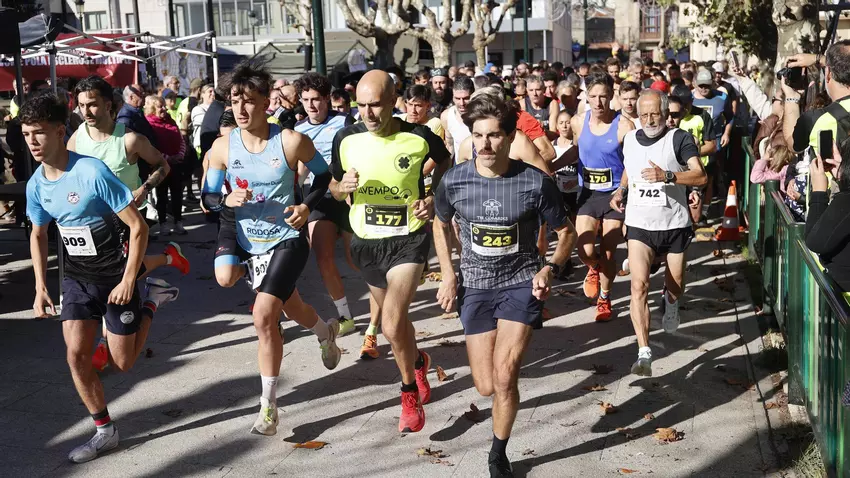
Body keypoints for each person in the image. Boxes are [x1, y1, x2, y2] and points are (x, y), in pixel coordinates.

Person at [22, 93, 179, 463]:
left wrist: (128, 280)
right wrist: (40, 286)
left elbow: (138, 227)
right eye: (26, 134)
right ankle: (105, 431)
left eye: (39, 133)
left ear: (59, 132)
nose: (31, 141)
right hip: (77, 278)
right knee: (76, 355)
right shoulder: (35, 184)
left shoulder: (91, 172)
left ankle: (152, 300)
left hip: (115, 277)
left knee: (123, 363)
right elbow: (38, 234)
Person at [433, 93, 576, 478]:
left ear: (511, 137)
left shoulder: (534, 182)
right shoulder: (455, 180)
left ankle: (498, 454)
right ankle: (496, 413)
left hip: (520, 283)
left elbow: (567, 233)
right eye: (478, 135)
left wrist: (550, 269)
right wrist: (448, 273)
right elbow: (440, 224)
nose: (484, 144)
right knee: (484, 386)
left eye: (494, 135)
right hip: (476, 285)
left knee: (504, 375)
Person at [202, 59, 343, 436]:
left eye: (249, 101)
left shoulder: (291, 141)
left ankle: (268, 407)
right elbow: (208, 196)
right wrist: (225, 200)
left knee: (265, 315)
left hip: (285, 238)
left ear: (267, 102)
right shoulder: (222, 146)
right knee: (273, 297)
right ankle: (325, 332)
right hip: (242, 233)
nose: (241, 109)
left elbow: (324, 176)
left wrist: (305, 207)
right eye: (235, 101)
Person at [329, 70, 451, 433]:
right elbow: (333, 185)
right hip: (366, 243)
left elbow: (445, 162)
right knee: (398, 326)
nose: (368, 113)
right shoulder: (346, 138)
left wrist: (433, 197)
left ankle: (408, 394)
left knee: (391, 322)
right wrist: (341, 187)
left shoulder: (418, 136)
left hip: (408, 238)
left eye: (376, 105)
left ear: (393, 101)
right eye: (361, 105)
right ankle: (419, 361)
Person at [610, 89, 706, 377]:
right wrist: (621, 190)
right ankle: (644, 352)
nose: (649, 120)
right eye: (644, 115)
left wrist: (667, 176)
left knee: (676, 285)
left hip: (674, 224)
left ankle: (671, 303)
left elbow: (700, 175)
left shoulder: (679, 138)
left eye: (655, 114)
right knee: (638, 286)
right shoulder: (629, 139)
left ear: (665, 113)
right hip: (640, 224)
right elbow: (630, 168)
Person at [293, 72, 358, 337]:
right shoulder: (298, 130)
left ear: (327, 99)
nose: (311, 105)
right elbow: (298, 171)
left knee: (357, 259)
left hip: (346, 196)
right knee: (323, 258)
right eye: (306, 99)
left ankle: (385, 302)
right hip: (319, 197)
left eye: (316, 99)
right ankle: (345, 316)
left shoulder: (343, 121)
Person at [571, 72, 636, 322]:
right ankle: (594, 267)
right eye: (593, 96)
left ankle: (605, 298)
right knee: (585, 249)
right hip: (588, 193)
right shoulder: (578, 122)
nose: (598, 102)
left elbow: (632, 162)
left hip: (614, 195)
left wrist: (622, 190)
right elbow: (577, 151)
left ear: (612, 96)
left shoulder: (624, 126)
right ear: (586, 96)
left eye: (604, 96)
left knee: (609, 251)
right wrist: (551, 166)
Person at [668, 85, 717, 225]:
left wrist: (688, 154)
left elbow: (711, 145)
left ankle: (702, 216)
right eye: (681, 105)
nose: (685, 108)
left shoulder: (702, 115)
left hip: (697, 168)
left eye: (687, 104)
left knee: (694, 216)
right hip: (673, 170)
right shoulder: (668, 117)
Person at [806, 142, 850, 291]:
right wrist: (842, 178)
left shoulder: (846, 201)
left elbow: (815, 242)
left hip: (842, 295)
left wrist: (819, 192)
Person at [692, 68, 733, 221]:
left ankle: (704, 212)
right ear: (695, 84)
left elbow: (730, 117)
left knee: (708, 179)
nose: (704, 89)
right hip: (692, 145)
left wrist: (726, 133)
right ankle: (692, 212)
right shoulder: (689, 98)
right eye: (701, 85)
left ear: (713, 84)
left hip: (713, 145)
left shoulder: (722, 98)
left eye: (707, 86)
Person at [144, 95, 187, 236]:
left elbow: (180, 138)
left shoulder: (170, 120)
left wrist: (180, 154)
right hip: (160, 166)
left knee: (177, 195)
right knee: (162, 196)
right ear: (152, 108)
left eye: (164, 106)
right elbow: (151, 146)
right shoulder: (149, 124)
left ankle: (178, 222)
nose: (164, 108)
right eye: (160, 106)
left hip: (176, 165)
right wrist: (167, 158)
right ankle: (163, 223)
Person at [441, 75, 475, 160]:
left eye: (466, 98)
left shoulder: (482, 116)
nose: (462, 103)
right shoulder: (446, 116)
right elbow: (450, 146)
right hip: (460, 165)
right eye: (457, 98)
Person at [117, 85, 158, 149]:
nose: (145, 96)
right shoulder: (125, 118)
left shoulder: (137, 112)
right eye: (141, 94)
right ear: (131, 97)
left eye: (144, 94)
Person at [191, 84, 216, 152]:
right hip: (201, 144)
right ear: (202, 94)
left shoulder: (217, 108)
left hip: (215, 144)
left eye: (214, 92)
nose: (213, 94)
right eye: (210, 91)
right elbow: (207, 122)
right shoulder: (197, 109)